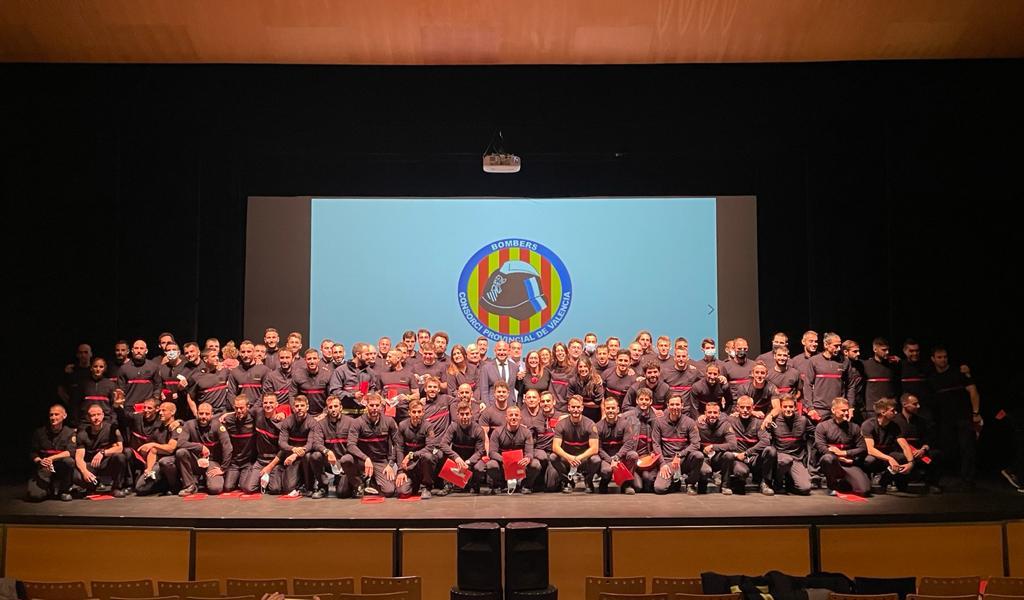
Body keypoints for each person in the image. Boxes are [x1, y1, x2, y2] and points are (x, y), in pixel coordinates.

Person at [929, 346, 981, 490]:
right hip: (945, 419)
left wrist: (976, 413)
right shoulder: (932, 377)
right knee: (947, 449)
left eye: (945, 357)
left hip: (963, 417)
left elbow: (973, 392)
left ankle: (967, 480)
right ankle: (945, 480)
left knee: (967, 448)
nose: (943, 360)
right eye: (939, 357)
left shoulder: (958, 372)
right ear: (933, 359)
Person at [347, 393, 400, 498]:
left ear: (381, 406)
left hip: (380, 461)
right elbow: (350, 445)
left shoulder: (389, 421)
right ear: (366, 405)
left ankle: (372, 483)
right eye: (371, 405)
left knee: (389, 491)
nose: (374, 408)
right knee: (346, 461)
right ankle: (358, 483)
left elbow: (398, 444)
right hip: (362, 461)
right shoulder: (357, 422)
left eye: (377, 405)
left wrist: (390, 464)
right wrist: (365, 458)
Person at [814, 397, 870, 496]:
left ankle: (844, 482)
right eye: (843, 410)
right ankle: (832, 485)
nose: (846, 413)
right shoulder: (823, 426)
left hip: (849, 463)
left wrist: (845, 453)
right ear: (833, 410)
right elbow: (821, 447)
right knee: (827, 458)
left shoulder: (854, 427)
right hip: (833, 462)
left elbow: (863, 448)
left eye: (847, 410)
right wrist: (840, 458)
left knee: (864, 490)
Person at [175, 402, 232, 496]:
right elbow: (180, 443)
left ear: (212, 414)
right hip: (195, 461)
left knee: (216, 489)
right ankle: (190, 486)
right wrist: (200, 447)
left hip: (212, 462)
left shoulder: (218, 426)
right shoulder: (189, 425)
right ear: (197, 413)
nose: (203, 416)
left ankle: (204, 480)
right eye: (201, 413)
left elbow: (227, 447)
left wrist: (223, 468)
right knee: (181, 452)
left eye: (207, 414)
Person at [308, 395, 359, 499]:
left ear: (341, 407)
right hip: (329, 462)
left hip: (345, 463)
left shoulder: (351, 422)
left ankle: (353, 482)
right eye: (330, 407)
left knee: (342, 494)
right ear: (327, 409)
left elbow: (354, 445)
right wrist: (327, 451)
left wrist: (345, 463)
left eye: (336, 406)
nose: (333, 409)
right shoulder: (320, 424)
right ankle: (323, 487)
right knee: (315, 456)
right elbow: (316, 443)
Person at [862, 397, 915, 493]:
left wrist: (911, 463)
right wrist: (890, 459)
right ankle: (871, 480)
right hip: (875, 456)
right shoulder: (868, 425)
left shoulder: (894, 426)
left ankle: (887, 480)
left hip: (888, 454)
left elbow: (904, 445)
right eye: (892, 410)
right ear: (883, 412)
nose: (895, 413)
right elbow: (870, 449)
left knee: (902, 457)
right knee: (869, 460)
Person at [652, 395, 703, 495]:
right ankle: (675, 482)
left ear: (682, 406)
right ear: (667, 406)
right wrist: (662, 464)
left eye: (677, 404)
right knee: (659, 489)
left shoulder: (690, 422)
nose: (674, 407)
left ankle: (690, 484)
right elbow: (656, 444)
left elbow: (696, 444)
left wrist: (679, 455)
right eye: (672, 404)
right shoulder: (659, 422)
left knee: (699, 456)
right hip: (667, 461)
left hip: (684, 460)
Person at [893, 393, 943, 494]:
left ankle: (933, 484)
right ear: (904, 404)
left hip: (919, 452)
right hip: (902, 451)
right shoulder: (895, 421)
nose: (918, 406)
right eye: (915, 404)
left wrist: (923, 449)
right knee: (899, 457)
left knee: (936, 455)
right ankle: (899, 484)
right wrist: (910, 452)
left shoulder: (921, 421)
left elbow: (928, 438)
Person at [74, 403, 128, 497]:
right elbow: (79, 457)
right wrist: (85, 472)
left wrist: (103, 453)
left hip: (106, 463)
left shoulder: (112, 429)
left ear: (103, 415)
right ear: (88, 417)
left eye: (98, 414)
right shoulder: (82, 434)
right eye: (93, 415)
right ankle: (92, 486)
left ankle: (116, 488)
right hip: (91, 465)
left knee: (120, 457)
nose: (96, 418)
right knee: (76, 475)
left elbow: (119, 448)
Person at [436, 399, 488, 496]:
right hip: (457, 459)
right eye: (462, 414)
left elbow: (480, 451)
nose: (465, 417)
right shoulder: (453, 427)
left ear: (471, 414)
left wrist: (468, 462)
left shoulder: (478, 430)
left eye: (467, 414)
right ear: (458, 415)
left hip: (471, 460)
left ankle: (474, 485)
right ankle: (448, 484)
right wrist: (456, 458)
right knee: (439, 454)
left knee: (479, 468)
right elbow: (443, 444)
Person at [550, 395, 600, 493]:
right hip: (567, 459)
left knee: (596, 459)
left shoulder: (590, 424)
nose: (575, 410)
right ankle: (568, 481)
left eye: (578, 407)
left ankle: (588, 480)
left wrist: (579, 458)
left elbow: (595, 448)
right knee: (553, 457)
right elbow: (555, 447)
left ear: (582, 408)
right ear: (569, 408)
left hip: (583, 459)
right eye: (573, 407)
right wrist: (569, 457)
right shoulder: (561, 424)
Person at [486, 405, 540, 494]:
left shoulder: (526, 432)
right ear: (506, 418)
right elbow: (492, 452)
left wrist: (527, 458)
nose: (514, 417)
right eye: (511, 415)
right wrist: (505, 460)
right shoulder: (497, 432)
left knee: (536, 464)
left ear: (520, 417)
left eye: (516, 415)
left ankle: (526, 485)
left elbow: (529, 452)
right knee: (491, 465)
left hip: (520, 465)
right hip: (503, 465)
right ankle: (500, 485)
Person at [27, 405, 76, 502]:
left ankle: (64, 490)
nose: (53, 417)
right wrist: (39, 461)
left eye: (56, 414)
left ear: (64, 416)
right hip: (44, 467)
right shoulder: (40, 432)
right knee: (35, 495)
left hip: (60, 467)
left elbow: (70, 452)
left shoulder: (69, 432)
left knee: (69, 461)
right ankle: (48, 488)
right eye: (51, 415)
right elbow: (33, 452)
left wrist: (52, 458)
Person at [765, 395, 812, 495]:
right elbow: (763, 434)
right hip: (780, 457)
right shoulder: (774, 420)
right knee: (786, 460)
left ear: (795, 407)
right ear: (781, 407)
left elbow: (816, 433)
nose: (788, 409)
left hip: (796, 459)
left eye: (791, 407)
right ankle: (777, 483)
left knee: (805, 488)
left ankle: (790, 483)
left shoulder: (803, 420)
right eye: (785, 406)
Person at [728, 395, 774, 495]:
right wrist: (703, 416)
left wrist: (747, 453)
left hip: (754, 459)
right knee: (741, 473)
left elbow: (766, 441)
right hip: (739, 459)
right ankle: (738, 481)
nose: (745, 410)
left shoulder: (759, 423)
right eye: (742, 407)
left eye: (748, 408)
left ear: (753, 408)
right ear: (737, 408)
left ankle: (765, 483)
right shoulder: (730, 421)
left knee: (771, 451)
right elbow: (715, 415)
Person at [395, 398, 437, 499]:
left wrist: (411, 455)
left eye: (419, 412)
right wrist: (400, 471)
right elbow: (399, 449)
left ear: (423, 412)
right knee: (402, 492)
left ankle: (426, 487)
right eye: (414, 412)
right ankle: (414, 485)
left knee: (428, 456)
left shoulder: (428, 426)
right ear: (409, 412)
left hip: (421, 464)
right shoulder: (402, 425)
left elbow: (430, 447)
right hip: (408, 467)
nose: (416, 414)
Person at [242, 393, 284, 494]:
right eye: (265, 402)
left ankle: (273, 476)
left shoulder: (282, 424)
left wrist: (269, 467)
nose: (268, 405)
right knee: (248, 488)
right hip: (260, 461)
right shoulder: (257, 413)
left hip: (275, 462)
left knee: (275, 489)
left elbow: (283, 449)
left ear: (276, 404)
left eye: (271, 402)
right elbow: (242, 412)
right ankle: (261, 478)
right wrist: (226, 414)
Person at [595, 396, 637, 494]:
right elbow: (599, 448)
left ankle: (626, 485)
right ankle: (604, 482)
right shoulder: (598, 426)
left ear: (617, 409)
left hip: (621, 457)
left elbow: (628, 444)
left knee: (633, 455)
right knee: (606, 471)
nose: (610, 410)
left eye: (613, 408)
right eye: (608, 408)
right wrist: (611, 461)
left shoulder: (625, 423)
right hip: (606, 458)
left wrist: (617, 457)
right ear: (604, 409)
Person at [696, 402, 738, 495]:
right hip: (703, 458)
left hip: (717, 458)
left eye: (715, 413)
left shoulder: (725, 425)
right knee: (704, 470)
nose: (712, 415)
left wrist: (713, 447)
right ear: (705, 413)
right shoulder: (698, 424)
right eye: (709, 412)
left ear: (719, 414)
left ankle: (725, 486)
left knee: (729, 455)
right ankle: (701, 488)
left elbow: (733, 445)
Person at [278, 395, 314, 497]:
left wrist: (296, 455)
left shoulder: (312, 423)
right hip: (291, 456)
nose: (299, 408)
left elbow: (310, 444)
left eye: (302, 405)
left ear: (307, 407)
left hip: (305, 456)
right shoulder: (287, 422)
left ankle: (309, 485)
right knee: (288, 489)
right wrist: (293, 449)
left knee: (309, 456)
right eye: (297, 406)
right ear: (293, 408)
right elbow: (282, 443)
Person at [219, 395, 256, 493]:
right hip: (234, 463)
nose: (239, 411)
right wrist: (180, 422)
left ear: (248, 407)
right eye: (236, 408)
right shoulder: (228, 420)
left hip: (248, 463)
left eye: (241, 408)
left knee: (245, 487)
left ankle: (243, 478)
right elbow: (211, 418)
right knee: (227, 487)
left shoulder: (254, 418)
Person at [292, 348, 333, 416]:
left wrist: (325, 413)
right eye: (309, 359)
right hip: (303, 415)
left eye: (314, 358)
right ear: (305, 360)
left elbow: (331, 397)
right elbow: (292, 396)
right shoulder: (297, 375)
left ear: (318, 359)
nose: (312, 361)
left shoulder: (327, 374)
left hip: (324, 415)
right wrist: (297, 411)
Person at [566, 358, 605, 422]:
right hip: (578, 414)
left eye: (585, 366)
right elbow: (569, 399)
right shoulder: (572, 381)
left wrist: (581, 403)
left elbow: (598, 403)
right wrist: (578, 404)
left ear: (590, 368)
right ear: (577, 368)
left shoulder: (596, 381)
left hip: (594, 416)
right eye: (580, 367)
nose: (583, 369)